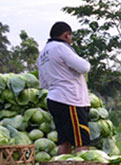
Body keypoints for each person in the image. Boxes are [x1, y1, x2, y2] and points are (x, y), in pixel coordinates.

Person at [37, 21, 91, 155]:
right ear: (66, 35)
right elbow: (84, 67)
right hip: (70, 100)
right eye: (71, 36)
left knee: (64, 141)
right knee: (81, 142)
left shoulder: (42, 54)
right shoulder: (60, 47)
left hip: (54, 100)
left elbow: (43, 83)